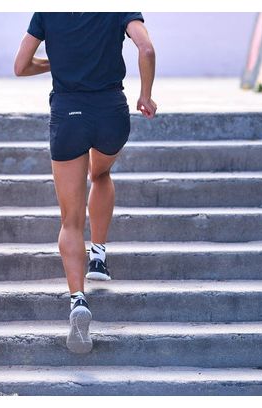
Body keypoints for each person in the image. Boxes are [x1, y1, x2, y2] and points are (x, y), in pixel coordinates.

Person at [14, 12, 156, 354]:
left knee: (70, 220)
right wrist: (146, 96)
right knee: (101, 173)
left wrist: (57, 63)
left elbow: (20, 66)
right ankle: (99, 258)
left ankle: (78, 300)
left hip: (68, 115)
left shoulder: (47, 12)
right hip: (111, 113)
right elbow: (147, 49)